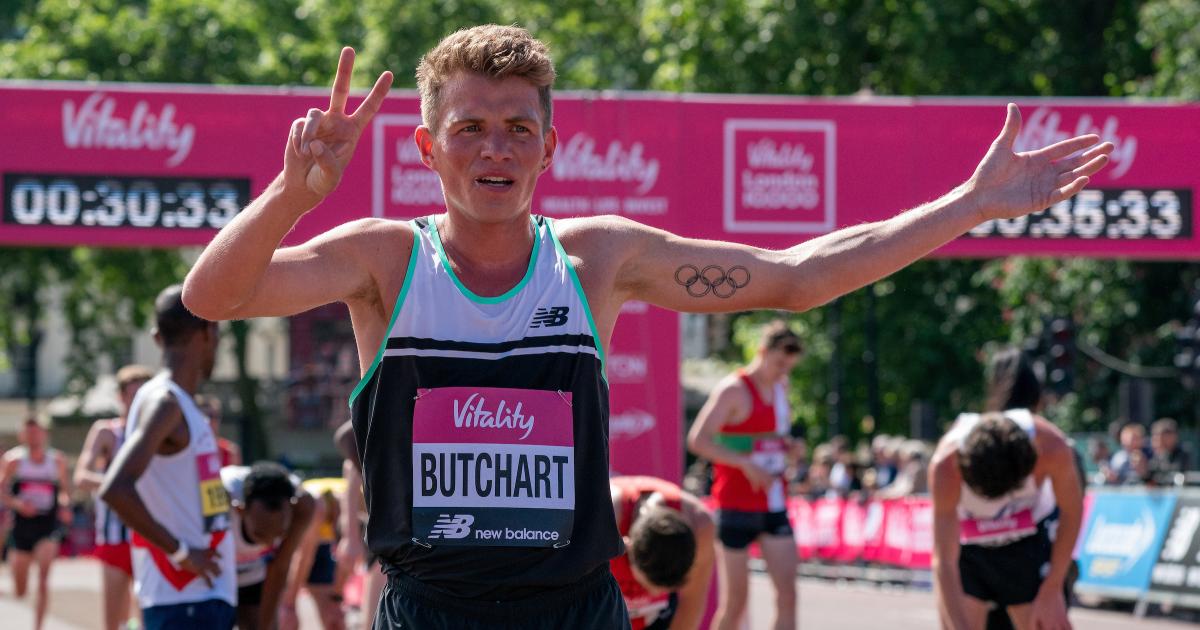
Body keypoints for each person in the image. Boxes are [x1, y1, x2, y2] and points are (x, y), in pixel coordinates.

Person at [180, 24, 1111, 629]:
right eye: (469, 128)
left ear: (550, 147)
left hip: (576, 605)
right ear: (428, 147)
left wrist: (969, 205)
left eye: (517, 128)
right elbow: (212, 299)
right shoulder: (384, 261)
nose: (495, 148)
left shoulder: (598, 260)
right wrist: (291, 195)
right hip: (432, 605)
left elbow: (798, 278)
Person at [99, 284, 235, 629]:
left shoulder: (180, 404)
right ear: (209, 331)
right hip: (183, 601)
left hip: (200, 595)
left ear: (157, 338)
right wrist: (181, 552)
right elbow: (115, 488)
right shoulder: (165, 403)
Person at [930, 349, 1084, 630]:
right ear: (963, 469)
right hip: (971, 548)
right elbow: (944, 562)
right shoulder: (945, 466)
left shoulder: (1052, 447)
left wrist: (1052, 588)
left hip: (1028, 544)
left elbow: (1072, 512)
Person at [687, 320, 801, 630]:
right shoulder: (734, 389)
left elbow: (772, 438)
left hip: (773, 502)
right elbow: (698, 440)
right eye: (779, 364)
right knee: (736, 603)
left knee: (788, 596)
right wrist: (745, 464)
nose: (782, 372)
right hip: (735, 505)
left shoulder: (781, 388)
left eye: (789, 367)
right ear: (762, 351)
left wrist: (790, 448)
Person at [74, 363, 153, 630]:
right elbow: (81, 476)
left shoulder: (158, 433)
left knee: (148, 616)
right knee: (113, 620)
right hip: (115, 537)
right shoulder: (107, 432)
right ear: (121, 397)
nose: (139, 401)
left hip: (152, 535)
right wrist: (119, 484)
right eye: (133, 394)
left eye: (144, 394)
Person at [610, 475, 714, 630]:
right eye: (646, 585)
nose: (654, 593)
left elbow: (691, 604)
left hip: (655, 616)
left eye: (665, 590)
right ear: (628, 546)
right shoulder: (604, 521)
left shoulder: (700, 526)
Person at [221, 461, 315, 630]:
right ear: (240, 510)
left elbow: (279, 567)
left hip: (255, 577)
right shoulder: (221, 499)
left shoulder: (303, 505)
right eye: (259, 534)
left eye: (279, 534)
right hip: (217, 575)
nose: (269, 544)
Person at [0, 416, 73, 630]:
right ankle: (18, 581)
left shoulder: (56, 460)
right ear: (22, 436)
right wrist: (18, 504)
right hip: (22, 526)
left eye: (37, 432)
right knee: (20, 590)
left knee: (43, 578)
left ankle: (38, 627)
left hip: (47, 525)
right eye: (29, 432)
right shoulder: (14, 461)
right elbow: (2, 491)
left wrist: (65, 506)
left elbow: (64, 492)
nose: (33, 437)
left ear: (44, 434)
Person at [195, 394, 242, 467]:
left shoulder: (230, 451)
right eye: (208, 415)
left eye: (216, 416)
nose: (210, 421)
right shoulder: (189, 449)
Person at [1150, 418, 1190, 485]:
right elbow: (1151, 474)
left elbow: (1177, 473)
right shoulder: (1155, 454)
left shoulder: (1183, 452)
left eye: (1162, 437)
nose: (1159, 441)